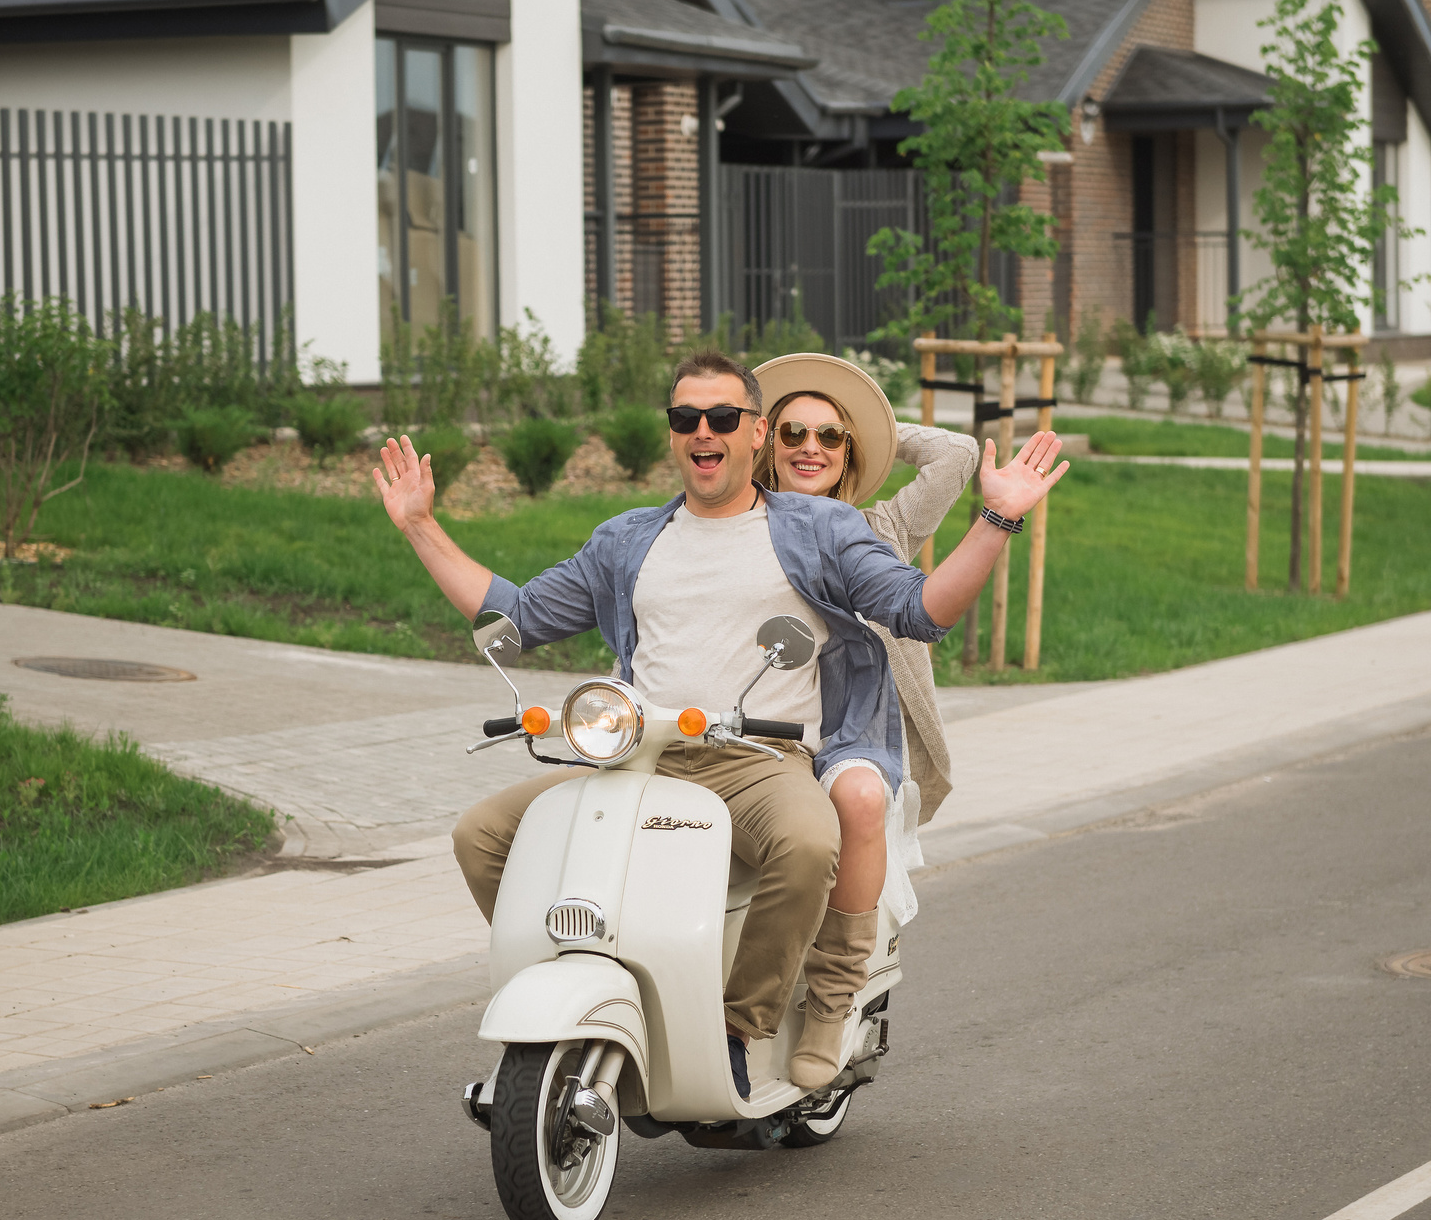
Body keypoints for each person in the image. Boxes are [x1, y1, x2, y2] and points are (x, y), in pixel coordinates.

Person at [371, 351, 1066, 1100]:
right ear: (674, 433)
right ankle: (574, 999)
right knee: (480, 833)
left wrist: (998, 519)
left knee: (808, 844)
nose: (704, 431)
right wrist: (420, 525)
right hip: (640, 755)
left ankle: (740, 1028)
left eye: (724, 417)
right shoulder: (627, 539)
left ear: (754, 432)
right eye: (686, 418)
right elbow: (519, 617)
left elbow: (919, 610)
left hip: (758, 759)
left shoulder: (822, 528)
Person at [750, 353, 979, 1089]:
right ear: (765, 443)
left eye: (830, 436)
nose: (810, 448)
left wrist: (876, 429)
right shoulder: (738, 524)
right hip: (758, 727)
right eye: (791, 433)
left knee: (854, 800)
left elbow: (958, 453)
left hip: (857, 730)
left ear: (850, 453)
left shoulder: (883, 526)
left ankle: (833, 996)